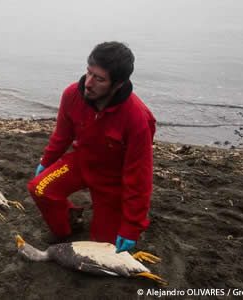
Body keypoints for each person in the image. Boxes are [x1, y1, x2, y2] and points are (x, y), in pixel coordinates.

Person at [27, 42, 156, 253]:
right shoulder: (72, 95)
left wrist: (132, 226)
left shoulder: (137, 118)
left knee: (102, 247)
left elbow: (139, 176)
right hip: (81, 162)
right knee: (39, 189)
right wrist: (46, 161)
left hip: (112, 179)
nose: (88, 83)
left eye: (99, 79)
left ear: (118, 84)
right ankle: (69, 222)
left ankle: (107, 228)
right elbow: (62, 135)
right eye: (88, 72)